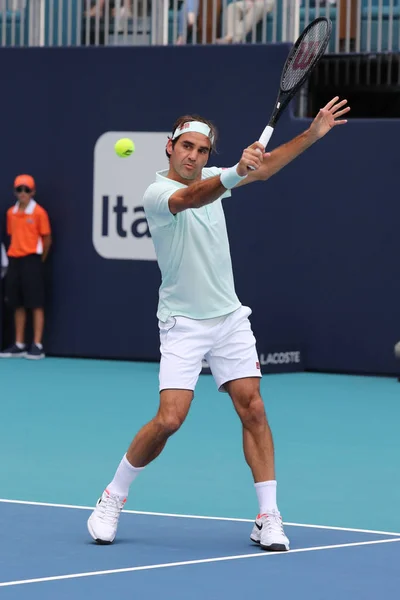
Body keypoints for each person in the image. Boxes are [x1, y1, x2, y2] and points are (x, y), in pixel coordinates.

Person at [87, 96, 350, 550]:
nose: (193, 156)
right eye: (186, 147)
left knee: (254, 408)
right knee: (170, 419)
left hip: (228, 317)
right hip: (182, 322)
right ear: (169, 148)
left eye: (202, 150)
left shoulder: (214, 176)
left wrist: (311, 134)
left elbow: (265, 169)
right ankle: (114, 493)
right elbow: (192, 197)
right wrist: (236, 171)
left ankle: (268, 515)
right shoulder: (158, 193)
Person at [0, 175, 52, 360]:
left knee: (36, 303)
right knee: (17, 303)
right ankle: (19, 344)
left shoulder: (39, 213)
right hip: (14, 260)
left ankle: (37, 345)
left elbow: (46, 239)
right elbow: (12, 235)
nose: (23, 193)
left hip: (32, 261)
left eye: (26, 190)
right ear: (15, 192)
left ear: (33, 192)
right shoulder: (10, 213)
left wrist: (37, 259)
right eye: (19, 190)